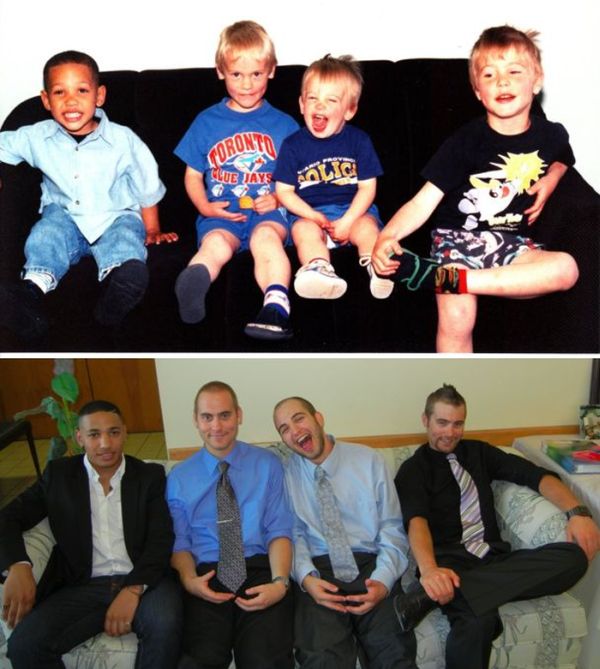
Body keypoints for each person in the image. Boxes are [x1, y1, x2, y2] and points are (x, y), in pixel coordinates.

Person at [372, 26, 578, 352]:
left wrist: (551, 179)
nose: (502, 82)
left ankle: (441, 279)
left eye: (514, 71)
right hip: (456, 243)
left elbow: (564, 156)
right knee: (457, 316)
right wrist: (387, 236)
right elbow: (422, 202)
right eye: (489, 75)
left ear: (537, 81)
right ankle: (452, 286)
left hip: (511, 246)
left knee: (567, 269)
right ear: (478, 91)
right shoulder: (464, 142)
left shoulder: (550, 134)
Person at [394, 384, 600, 669]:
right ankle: (453, 590)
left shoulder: (479, 453)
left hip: (495, 560)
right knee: (478, 622)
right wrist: (429, 571)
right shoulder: (413, 470)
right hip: (449, 566)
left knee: (574, 558)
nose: (450, 432)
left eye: (458, 424)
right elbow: (416, 523)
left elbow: (535, 475)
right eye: (442, 422)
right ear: (425, 420)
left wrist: (578, 512)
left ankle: (435, 597)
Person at [0, 51, 178, 341]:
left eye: (81, 90)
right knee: (46, 234)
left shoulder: (123, 139)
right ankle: (31, 291)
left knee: (125, 236)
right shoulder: (35, 136)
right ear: (46, 100)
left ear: (99, 96)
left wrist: (153, 229)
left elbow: (147, 184)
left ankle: (117, 287)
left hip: (114, 215)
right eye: (60, 92)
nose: (71, 101)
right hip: (64, 216)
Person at [0, 400, 182, 669]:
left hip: (145, 581)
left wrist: (133, 589)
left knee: (165, 625)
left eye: (113, 432)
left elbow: (161, 539)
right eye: (94, 434)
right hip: (81, 584)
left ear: (125, 432)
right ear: (79, 437)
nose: (105, 444)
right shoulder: (59, 476)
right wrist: (19, 565)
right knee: (24, 645)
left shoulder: (149, 476)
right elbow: (7, 517)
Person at [174, 21, 299, 341]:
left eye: (256, 74)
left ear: (271, 70)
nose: (246, 85)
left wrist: (279, 198)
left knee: (266, 240)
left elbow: (297, 177)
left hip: (267, 213)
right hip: (221, 213)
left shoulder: (284, 125)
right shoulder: (206, 121)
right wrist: (205, 207)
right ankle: (194, 283)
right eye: (236, 74)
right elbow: (192, 175)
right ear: (220, 72)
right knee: (215, 244)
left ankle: (275, 305)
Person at [273, 396, 417, 669]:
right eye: (284, 429)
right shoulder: (286, 475)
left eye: (299, 418)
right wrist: (306, 578)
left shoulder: (368, 460)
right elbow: (293, 535)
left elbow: (392, 527)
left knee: (394, 655)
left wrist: (383, 581)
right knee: (322, 660)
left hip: (371, 565)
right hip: (319, 572)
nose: (294, 431)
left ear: (318, 418)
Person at [167, 381, 294, 669]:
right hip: (205, 575)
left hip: (260, 569)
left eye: (224, 415)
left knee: (264, 661)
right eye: (207, 417)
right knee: (199, 660)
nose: (216, 426)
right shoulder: (178, 477)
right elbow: (180, 542)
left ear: (239, 415)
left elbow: (279, 530)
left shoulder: (268, 465)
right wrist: (189, 581)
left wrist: (280, 583)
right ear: (196, 420)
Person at [274, 55, 400, 301]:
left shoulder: (359, 141)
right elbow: (284, 191)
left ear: (349, 110)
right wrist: (313, 216)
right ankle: (319, 268)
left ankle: (376, 267)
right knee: (303, 231)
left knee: (367, 227)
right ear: (301, 104)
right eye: (312, 98)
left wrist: (348, 220)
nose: (319, 106)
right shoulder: (292, 145)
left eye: (331, 100)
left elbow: (367, 188)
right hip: (310, 214)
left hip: (352, 211)